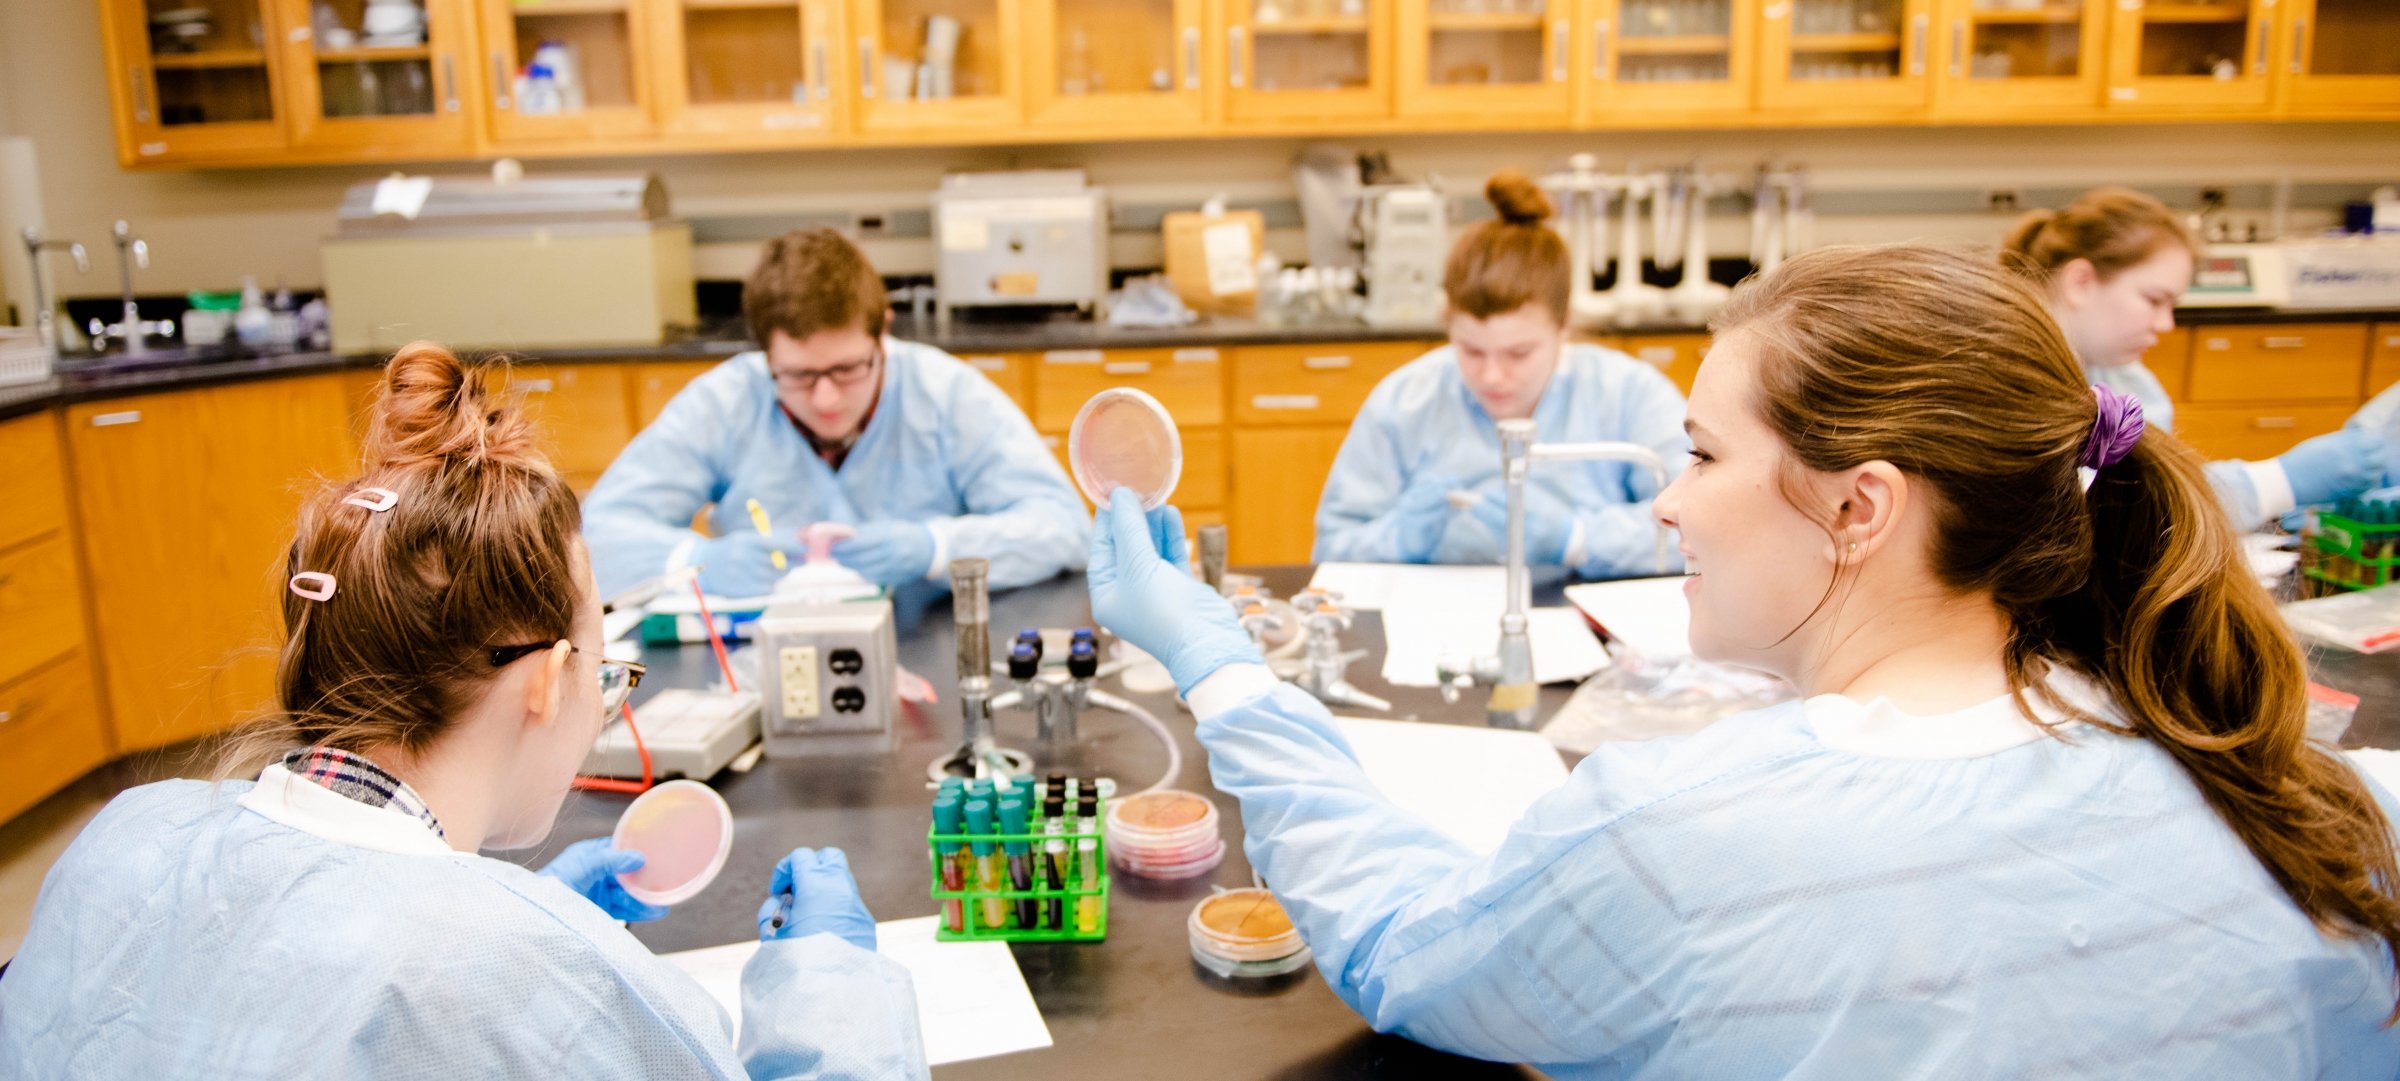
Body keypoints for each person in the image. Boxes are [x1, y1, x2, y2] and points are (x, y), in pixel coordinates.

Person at [1090, 245, 2400, 1076]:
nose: (1669, 503)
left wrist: (1223, 671)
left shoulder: (1691, 834)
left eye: (1706, 454)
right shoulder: (2301, 791)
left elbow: (1409, 955)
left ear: (1860, 507)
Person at [0, 344, 928, 1080]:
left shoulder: (124, 833)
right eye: (609, 670)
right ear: (542, 682)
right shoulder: (526, 974)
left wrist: (516, 928)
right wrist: (831, 995)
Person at [583, 228, 1086, 599]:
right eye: (799, 376)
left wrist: (935, 546)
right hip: (765, 663)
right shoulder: (725, 402)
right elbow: (591, 541)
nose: (826, 399)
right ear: (765, 356)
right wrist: (695, 561)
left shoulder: (945, 395)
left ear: (882, 333)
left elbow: (1063, 527)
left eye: (847, 369)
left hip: (927, 652)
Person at [1314, 171, 1689, 578]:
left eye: (1519, 353)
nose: (1492, 376)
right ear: (1447, 324)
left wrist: (1579, 538)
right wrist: (1396, 540)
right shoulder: (1404, 400)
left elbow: (1706, 530)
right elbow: (1330, 548)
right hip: (1435, 616)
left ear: (1563, 326)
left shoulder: (1630, 393)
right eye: (1471, 350)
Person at [2002, 186, 2386, 527]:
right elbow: (2132, 515)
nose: (2166, 324)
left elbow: (2159, 483)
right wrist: (2277, 481)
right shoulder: (2009, 377)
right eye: (2154, 300)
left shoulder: (2113, 373)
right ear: (2081, 282)